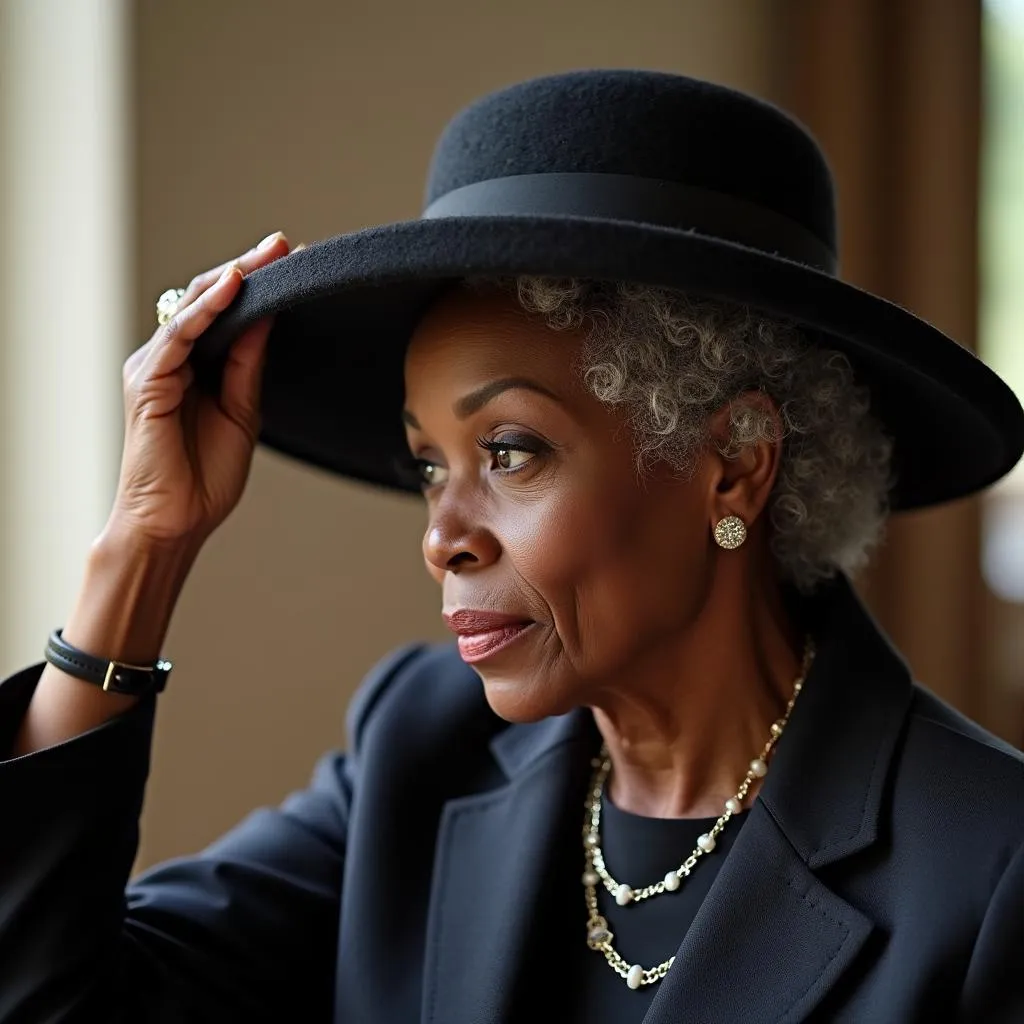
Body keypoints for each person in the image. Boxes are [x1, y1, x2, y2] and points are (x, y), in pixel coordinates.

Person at [0, 68, 1021, 1024]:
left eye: (510, 449)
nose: (441, 538)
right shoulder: (420, 750)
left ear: (733, 461)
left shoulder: (987, 867)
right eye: (428, 465)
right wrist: (140, 548)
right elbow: (49, 998)